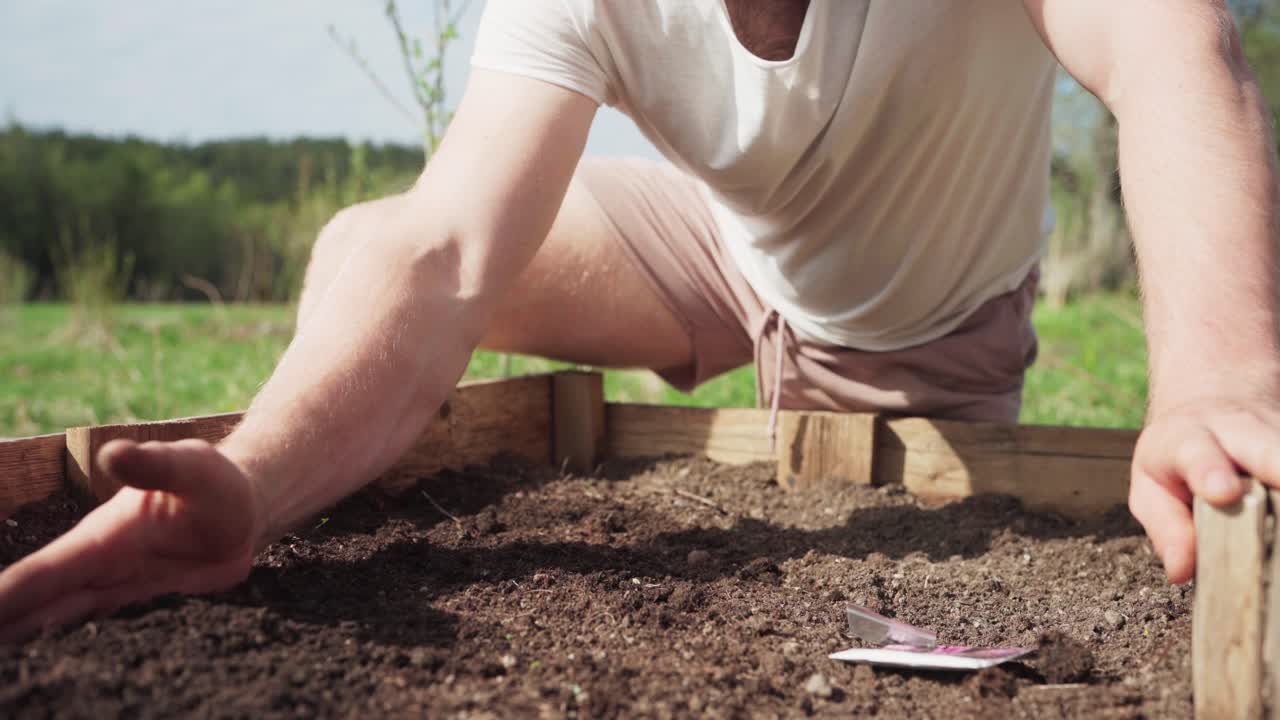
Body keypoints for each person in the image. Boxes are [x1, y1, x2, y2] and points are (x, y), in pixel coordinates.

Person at [1, 0, 1277, 642]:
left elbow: (1171, 44)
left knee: (906, 562)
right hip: (719, 246)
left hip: (913, 322)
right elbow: (444, 251)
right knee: (360, 250)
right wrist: (255, 479)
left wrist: (1215, 371)